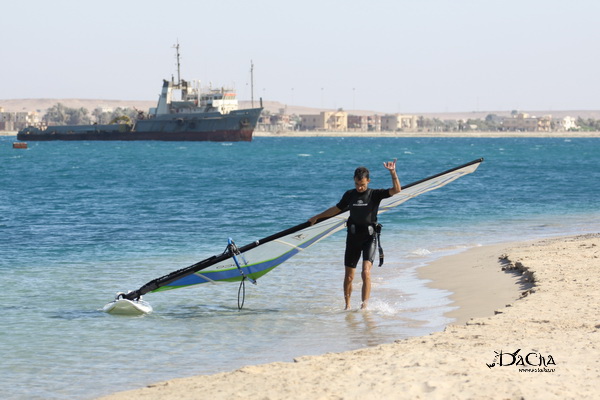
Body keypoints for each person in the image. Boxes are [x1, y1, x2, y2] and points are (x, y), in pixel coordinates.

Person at [308, 159, 401, 310]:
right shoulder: (349, 195)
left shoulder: (375, 194)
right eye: (357, 184)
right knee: (349, 276)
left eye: (362, 184)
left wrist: (392, 172)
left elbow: (397, 190)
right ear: (354, 181)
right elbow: (336, 209)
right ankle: (347, 306)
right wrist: (318, 216)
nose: (359, 187)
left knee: (365, 272)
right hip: (353, 238)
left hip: (369, 238)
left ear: (368, 181)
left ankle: (364, 306)